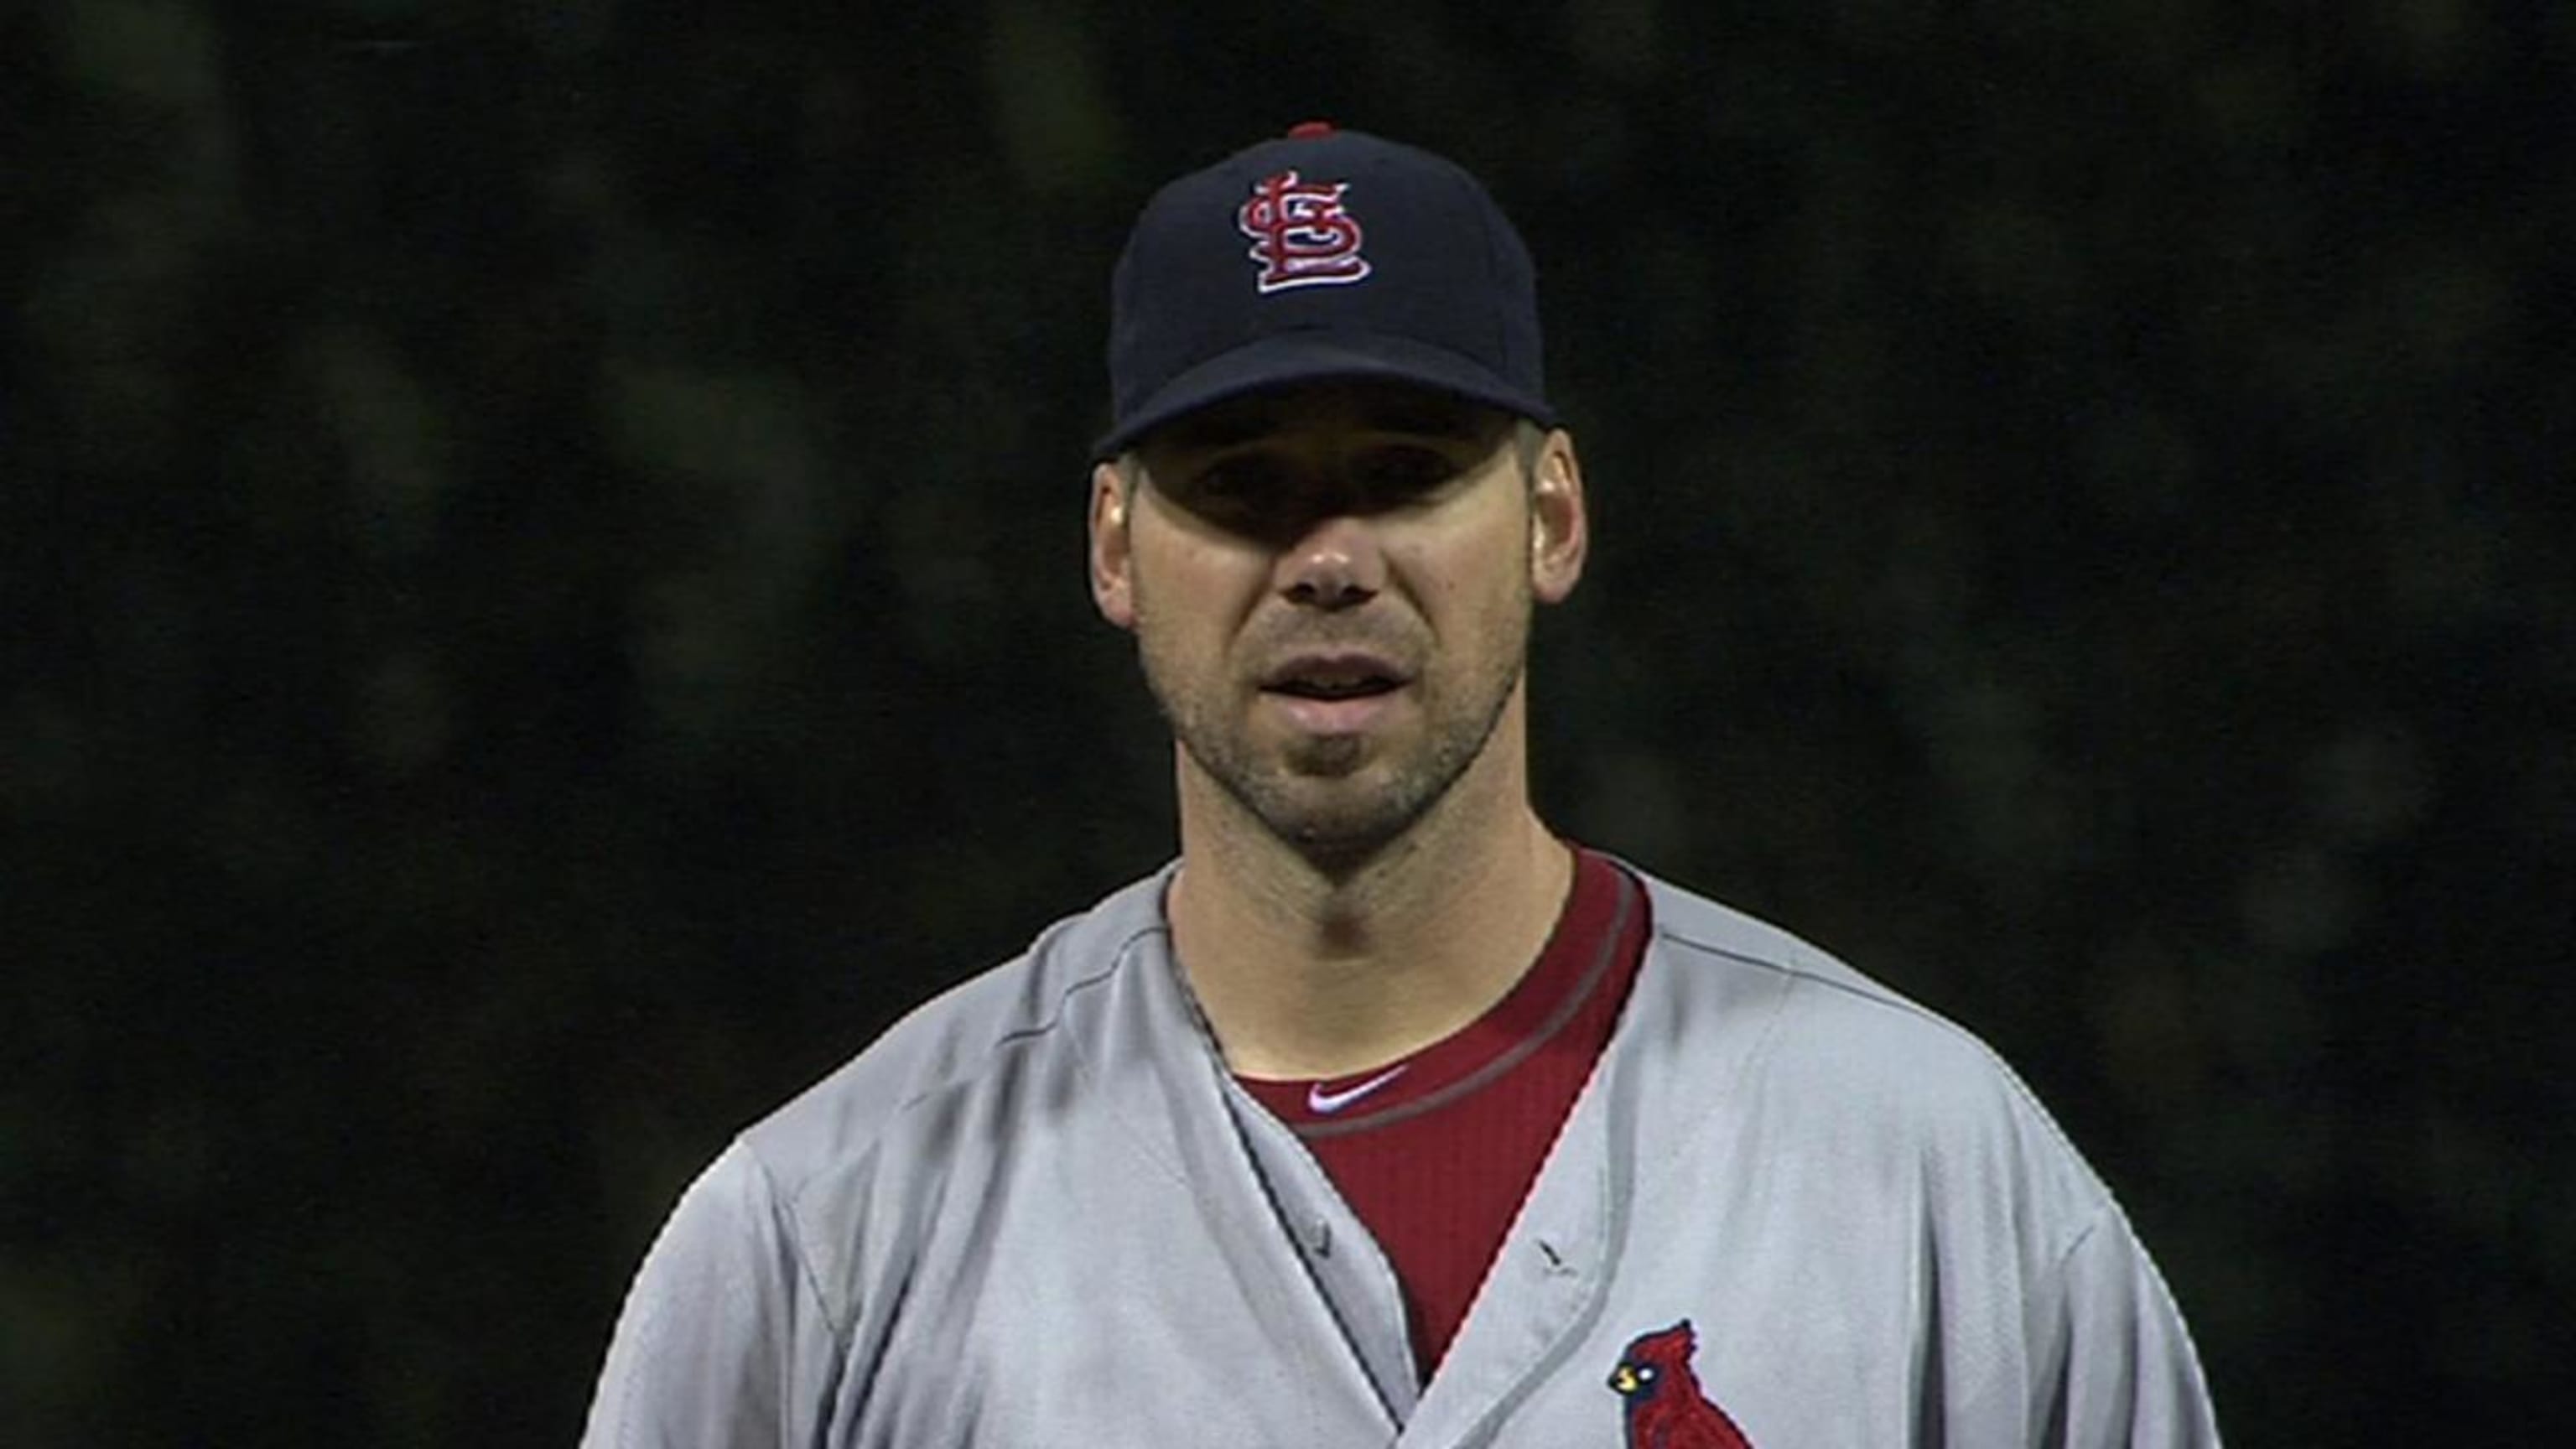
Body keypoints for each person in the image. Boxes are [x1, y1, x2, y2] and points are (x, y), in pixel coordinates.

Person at [579, 122, 2221, 1447]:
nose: (1330, 559)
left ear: (1552, 515)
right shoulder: (836, 1230)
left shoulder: (1926, 1172)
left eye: (1407, 471)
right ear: (1113, 546)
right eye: (1241, 485)